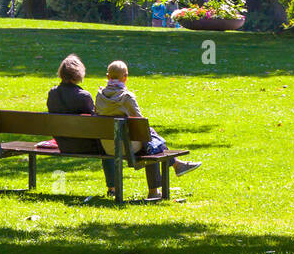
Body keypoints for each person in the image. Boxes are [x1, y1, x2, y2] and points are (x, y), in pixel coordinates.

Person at [93, 60, 200, 201]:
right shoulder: (127, 97)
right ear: (125, 77)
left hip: (107, 146)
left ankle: (176, 165)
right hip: (128, 146)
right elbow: (140, 124)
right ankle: (156, 188)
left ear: (108, 76)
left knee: (150, 139)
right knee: (152, 144)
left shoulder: (99, 97)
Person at [46, 54, 121, 197]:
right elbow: (96, 123)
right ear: (79, 74)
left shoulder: (52, 93)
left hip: (63, 143)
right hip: (86, 145)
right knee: (108, 143)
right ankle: (113, 187)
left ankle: (113, 187)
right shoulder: (83, 96)